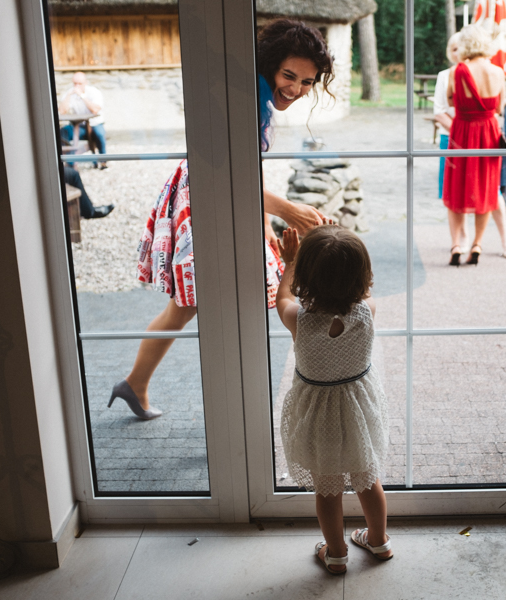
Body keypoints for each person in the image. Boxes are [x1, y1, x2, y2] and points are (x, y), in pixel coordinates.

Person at [107, 19, 336, 419]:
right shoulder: (245, 100)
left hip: (215, 197)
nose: (297, 89)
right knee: (218, 301)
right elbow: (226, 174)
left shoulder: (256, 96)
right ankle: (233, 413)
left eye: (307, 82)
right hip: (207, 199)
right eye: (289, 76)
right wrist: (287, 210)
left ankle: (137, 383)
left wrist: (264, 218)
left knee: (193, 304)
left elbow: (243, 172)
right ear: (269, 65)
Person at [275, 224, 391, 575]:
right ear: (363, 275)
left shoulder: (300, 321)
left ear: (306, 280)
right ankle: (378, 540)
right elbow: (353, 293)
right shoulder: (367, 311)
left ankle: (337, 553)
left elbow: (281, 299)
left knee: (327, 489)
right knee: (367, 479)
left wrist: (290, 262)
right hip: (357, 410)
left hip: (318, 416)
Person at [443, 25, 506, 267]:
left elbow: (451, 99)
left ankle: (456, 245)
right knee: (486, 187)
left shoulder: (457, 71)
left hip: (463, 131)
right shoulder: (498, 72)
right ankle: (477, 244)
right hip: (489, 132)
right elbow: (499, 107)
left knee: (456, 187)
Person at [433, 32, 462, 201]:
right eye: (454, 49)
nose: (458, 53)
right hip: (449, 135)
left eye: (462, 48)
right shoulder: (444, 76)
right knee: (450, 191)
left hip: (472, 137)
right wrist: (459, 132)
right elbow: (439, 111)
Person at [59, 72, 107, 169]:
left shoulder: (94, 92)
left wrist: (82, 96)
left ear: (86, 82)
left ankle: (103, 161)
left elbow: (95, 110)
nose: (77, 86)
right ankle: (70, 162)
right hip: (79, 125)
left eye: (79, 83)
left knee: (100, 134)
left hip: (95, 123)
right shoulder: (70, 93)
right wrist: (68, 96)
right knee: (62, 133)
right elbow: (61, 111)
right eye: (75, 83)